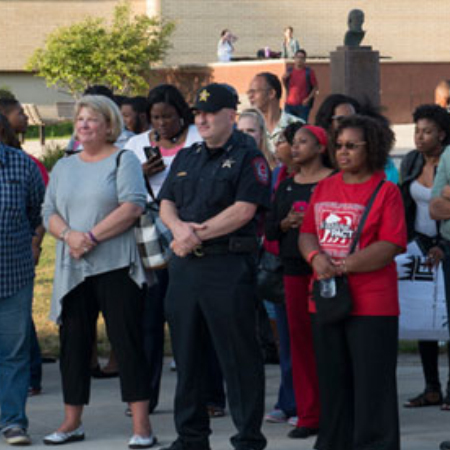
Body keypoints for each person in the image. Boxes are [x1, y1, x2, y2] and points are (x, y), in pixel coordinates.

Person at [158, 83, 270, 450]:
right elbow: (167, 202)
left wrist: (195, 235)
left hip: (227, 267)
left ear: (231, 116)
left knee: (238, 358)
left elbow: (244, 210)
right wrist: (179, 230)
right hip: (186, 269)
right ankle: (191, 437)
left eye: (210, 112)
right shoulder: (188, 156)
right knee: (187, 356)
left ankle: (248, 438)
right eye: (198, 113)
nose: (202, 119)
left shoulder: (247, 156)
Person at [42, 95, 157, 449]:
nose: (83, 125)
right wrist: (69, 236)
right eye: (79, 120)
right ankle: (71, 422)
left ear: (109, 126)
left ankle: (141, 427)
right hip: (72, 267)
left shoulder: (124, 160)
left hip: (117, 265)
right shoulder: (64, 166)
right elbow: (48, 211)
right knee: (73, 346)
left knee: (127, 342)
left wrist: (90, 237)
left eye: (92, 120)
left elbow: (133, 205)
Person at [299, 115, 407, 450]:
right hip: (326, 300)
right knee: (333, 382)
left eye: (351, 146)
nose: (342, 152)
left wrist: (342, 265)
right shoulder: (325, 187)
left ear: (371, 148)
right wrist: (316, 258)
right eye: (338, 145)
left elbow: (390, 245)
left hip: (372, 304)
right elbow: (307, 233)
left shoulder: (386, 191)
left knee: (372, 385)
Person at [125, 84, 205, 416]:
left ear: (182, 114)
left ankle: (207, 396)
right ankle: (147, 397)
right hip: (148, 236)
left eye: (168, 117)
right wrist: (140, 174)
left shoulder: (198, 139)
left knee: (193, 320)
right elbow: (121, 186)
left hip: (189, 231)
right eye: (155, 118)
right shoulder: (136, 144)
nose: (161, 124)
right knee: (149, 318)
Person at [266, 125, 333, 439]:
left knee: (331, 341)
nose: (294, 147)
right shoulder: (287, 185)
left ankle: (336, 411)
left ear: (321, 147)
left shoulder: (334, 181)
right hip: (294, 270)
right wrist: (286, 222)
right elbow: (270, 231)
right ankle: (308, 415)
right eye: (293, 143)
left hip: (329, 270)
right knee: (300, 342)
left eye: (303, 142)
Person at [400, 104, 450, 410]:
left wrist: (442, 245)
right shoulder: (411, 161)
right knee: (422, 318)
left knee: (447, 318)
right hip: (416, 245)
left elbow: (439, 209)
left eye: (427, 131)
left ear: (442, 134)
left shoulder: (447, 162)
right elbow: (413, 204)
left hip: (445, 243)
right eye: (417, 130)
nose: (420, 137)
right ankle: (431, 387)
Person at [0, 118, 45, 446]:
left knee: (14, 353)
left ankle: (13, 422)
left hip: (13, 274)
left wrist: (33, 244)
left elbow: (39, 212)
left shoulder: (21, 165)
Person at [314, 93, 399, 184]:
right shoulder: (315, 159)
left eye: (353, 118)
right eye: (341, 119)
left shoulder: (381, 175)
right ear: (327, 122)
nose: (348, 124)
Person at [247, 72, 303, 154]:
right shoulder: (248, 127)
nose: (250, 96)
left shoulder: (297, 126)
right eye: (249, 92)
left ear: (271, 93)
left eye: (254, 91)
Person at [283, 49, 318, 122]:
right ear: (294, 58)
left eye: (302, 58)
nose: (299, 60)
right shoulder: (289, 71)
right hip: (289, 105)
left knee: (301, 128)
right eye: (298, 57)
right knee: (288, 127)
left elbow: (315, 87)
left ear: (305, 60)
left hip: (303, 106)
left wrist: (308, 99)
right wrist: (283, 79)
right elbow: (286, 86)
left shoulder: (309, 72)